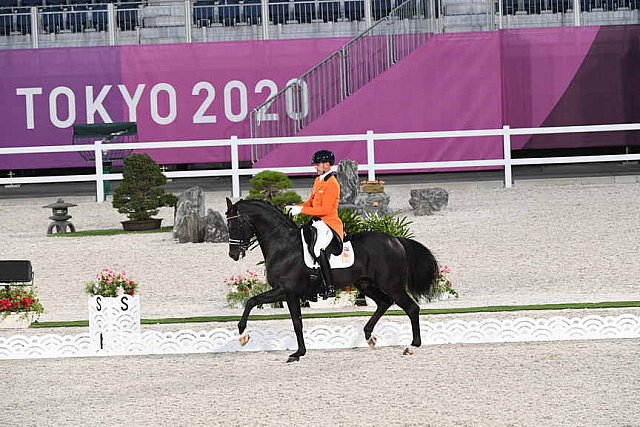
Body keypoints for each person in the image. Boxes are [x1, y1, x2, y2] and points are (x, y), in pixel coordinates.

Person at [286, 149, 343, 298]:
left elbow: (324, 209)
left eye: (317, 164)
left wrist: (302, 210)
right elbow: (311, 202)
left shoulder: (332, 184)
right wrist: (297, 207)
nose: (315, 167)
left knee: (318, 249)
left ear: (326, 164)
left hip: (328, 223)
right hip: (316, 222)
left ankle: (329, 287)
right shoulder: (318, 180)